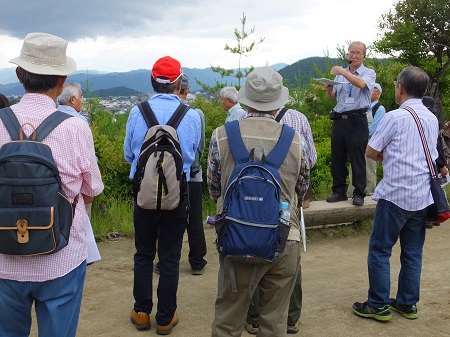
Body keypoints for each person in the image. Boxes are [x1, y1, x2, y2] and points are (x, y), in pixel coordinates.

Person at [0, 32, 104, 337]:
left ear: (19, 75)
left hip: (4, 257)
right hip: (62, 257)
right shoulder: (75, 128)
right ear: (62, 80)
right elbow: (91, 191)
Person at [208, 66, 308, 337]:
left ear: (245, 99)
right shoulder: (295, 140)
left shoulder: (222, 135)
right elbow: (302, 187)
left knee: (229, 318)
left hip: (236, 237)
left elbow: (215, 188)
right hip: (284, 237)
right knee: (274, 321)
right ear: (278, 103)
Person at [353, 66, 438, 321]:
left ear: (400, 87)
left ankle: (378, 304)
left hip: (395, 195)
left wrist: (385, 154)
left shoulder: (394, 117)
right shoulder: (431, 118)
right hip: (422, 197)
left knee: (380, 250)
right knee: (413, 253)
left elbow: (370, 151)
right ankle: (407, 303)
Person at [124, 56, 201, 335]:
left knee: (143, 254)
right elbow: (192, 156)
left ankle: (142, 312)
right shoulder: (190, 115)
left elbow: (129, 155)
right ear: (180, 82)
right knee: (169, 257)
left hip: (144, 195)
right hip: (177, 194)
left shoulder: (137, 112)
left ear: (152, 81)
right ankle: (166, 318)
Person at [245, 106, 316, 335]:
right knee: (289, 259)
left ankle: (253, 318)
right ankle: (291, 318)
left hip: (248, 205)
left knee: (252, 255)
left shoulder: (238, 125)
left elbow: (217, 179)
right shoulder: (299, 118)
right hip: (286, 203)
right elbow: (310, 161)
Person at [325, 41, 376, 206]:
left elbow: (361, 84)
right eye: (351, 52)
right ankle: (339, 191)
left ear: (363, 56)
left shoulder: (368, 73)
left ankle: (359, 193)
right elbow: (332, 97)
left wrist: (343, 72)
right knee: (338, 157)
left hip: (357, 119)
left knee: (357, 158)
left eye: (357, 53)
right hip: (340, 119)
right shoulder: (341, 74)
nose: (353, 55)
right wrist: (328, 87)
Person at [177, 74, 208, 274]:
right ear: (187, 90)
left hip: (170, 177)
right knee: (195, 218)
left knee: (170, 218)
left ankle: (166, 261)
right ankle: (197, 261)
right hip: (194, 175)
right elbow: (201, 146)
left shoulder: (163, 113)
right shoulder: (196, 114)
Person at [348, 83, 386, 196]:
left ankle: (369, 194)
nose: (369, 91)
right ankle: (352, 194)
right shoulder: (361, 108)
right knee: (353, 169)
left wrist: (359, 135)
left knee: (369, 170)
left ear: (378, 94)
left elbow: (376, 128)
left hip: (371, 144)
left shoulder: (379, 109)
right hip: (357, 144)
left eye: (373, 90)